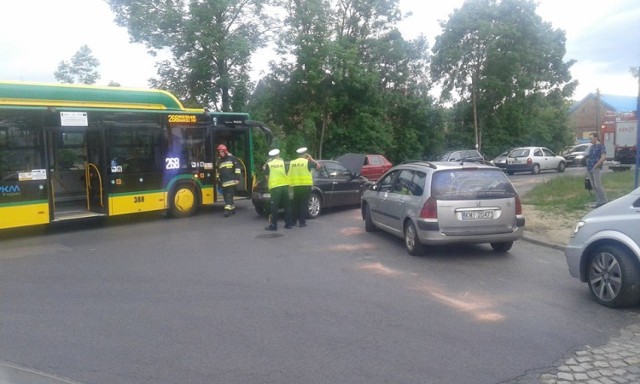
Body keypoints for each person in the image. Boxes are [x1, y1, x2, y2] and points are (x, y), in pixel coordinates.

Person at [288, 147, 320, 227]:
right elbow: (318, 166)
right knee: (303, 204)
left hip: (295, 186)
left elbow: (289, 173)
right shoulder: (307, 162)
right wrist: (311, 159)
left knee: (295, 204)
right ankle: (302, 222)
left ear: (298, 154)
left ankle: (293, 222)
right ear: (305, 154)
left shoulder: (292, 162)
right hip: (305, 186)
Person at [263, 149, 292, 230]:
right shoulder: (282, 163)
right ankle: (288, 224)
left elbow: (266, 176)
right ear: (278, 155)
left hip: (275, 187)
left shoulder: (269, 164)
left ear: (271, 157)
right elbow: (286, 172)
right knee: (287, 205)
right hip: (284, 186)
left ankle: (273, 225)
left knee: (274, 207)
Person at [216, 144, 241, 217]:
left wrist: (237, 179)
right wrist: (218, 180)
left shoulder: (232, 158)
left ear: (225, 151)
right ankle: (232, 209)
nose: (221, 153)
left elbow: (237, 169)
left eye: (222, 152)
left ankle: (227, 210)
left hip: (232, 182)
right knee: (225, 197)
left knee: (228, 196)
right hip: (223, 183)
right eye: (220, 152)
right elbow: (218, 172)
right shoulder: (219, 161)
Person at [585, 132, 607, 208]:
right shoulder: (591, 147)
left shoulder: (601, 146)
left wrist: (596, 165)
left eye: (591, 138)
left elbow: (603, 157)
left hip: (596, 168)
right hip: (589, 167)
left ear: (596, 138)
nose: (590, 140)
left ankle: (604, 201)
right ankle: (599, 202)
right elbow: (589, 156)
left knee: (598, 185)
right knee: (593, 185)